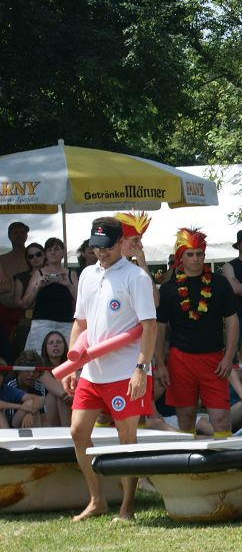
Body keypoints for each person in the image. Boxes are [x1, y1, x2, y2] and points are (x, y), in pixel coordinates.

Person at [62, 216, 158, 521]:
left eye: (106, 247)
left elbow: (149, 326)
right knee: (78, 432)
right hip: (92, 370)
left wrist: (141, 368)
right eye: (96, 247)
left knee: (126, 439)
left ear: (120, 243)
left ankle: (127, 507)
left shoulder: (136, 277)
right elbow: (80, 323)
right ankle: (96, 499)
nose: (100, 252)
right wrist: (71, 365)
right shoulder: (88, 275)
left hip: (125, 371)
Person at [155, 228, 239, 439]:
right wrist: (160, 362)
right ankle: (189, 466)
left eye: (199, 253)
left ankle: (225, 466)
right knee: (186, 416)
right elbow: (160, 327)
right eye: (190, 254)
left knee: (221, 417)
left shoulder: (220, 284)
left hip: (214, 360)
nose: (195, 258)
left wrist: (229, 356)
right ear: (180, 257)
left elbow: (231, 320)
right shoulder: (169, 289)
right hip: (180, 360)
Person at [19, 237, 78, 353]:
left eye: (56, 249)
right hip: (41, 323)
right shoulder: (38, 274)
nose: (53, 252)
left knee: (66, 360)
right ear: (45, 254)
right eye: (49, 250)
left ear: (63, 252)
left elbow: (80, 302)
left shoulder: (71, 274)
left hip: (66, 323)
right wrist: (38, 286)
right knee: (36, 357)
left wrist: (68, 285)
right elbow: (25, 303)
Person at [115, 212, 159, 306]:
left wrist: (143, 266)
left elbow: (155, 302)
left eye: (140, 240)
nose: (141, 245)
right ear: (120, 240)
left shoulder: (136, 270)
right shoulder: (104, 269)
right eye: (135, 240)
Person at [0, 221, 29, 344]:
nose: (19, 235)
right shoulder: (2, 259)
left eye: (22, 232)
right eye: (15, 232)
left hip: (26, 311)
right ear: (9, 236)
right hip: (3, 311)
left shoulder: (33, 257)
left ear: (27, 236)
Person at [0, 351, 46, 428]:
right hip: (11, 424)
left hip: (20, 421)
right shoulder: (11, 383)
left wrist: (29, 412)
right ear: (19, 371)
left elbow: (41, 400)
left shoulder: (6, 389)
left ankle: (36, 439)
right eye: (27, 370)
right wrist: (21, 407)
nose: (31, 374)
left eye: (35, 371)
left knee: (31, 403)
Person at [39, 331, 72, 426]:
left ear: (65, 346)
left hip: (72, 405)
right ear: (45, 347)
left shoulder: (73, 366)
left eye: (59, 342)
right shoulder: (40, 367)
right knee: (54, 396)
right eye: (51, 343)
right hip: (44, 413)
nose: (55, 345)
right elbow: (64, 394)